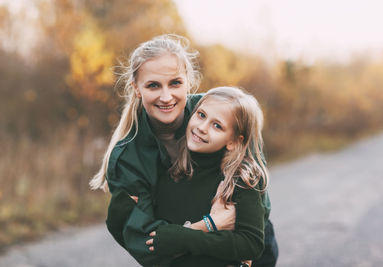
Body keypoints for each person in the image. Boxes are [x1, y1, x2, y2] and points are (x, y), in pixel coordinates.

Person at [90, 34, 278, 266]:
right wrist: (210, 225)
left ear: (188, 80)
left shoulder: (224, 112)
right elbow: (151, 246)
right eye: (153, 85)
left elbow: (256, 214)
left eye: (175, 83)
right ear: (136, 89)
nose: (166, 97)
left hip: (246, 253)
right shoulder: (127, 158)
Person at [146, 87, 269, 267]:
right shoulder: (170, 171)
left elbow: (251, 244)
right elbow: (157, 239)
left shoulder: (240, 179)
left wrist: (185, 237)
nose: (202, 128)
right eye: (201, 115)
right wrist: (209, 226)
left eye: (217, 125)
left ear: (233, 142)